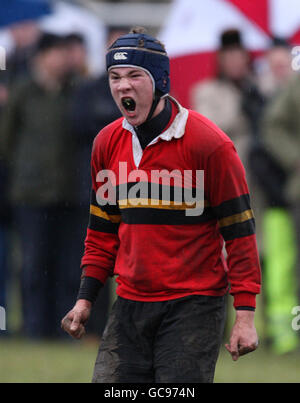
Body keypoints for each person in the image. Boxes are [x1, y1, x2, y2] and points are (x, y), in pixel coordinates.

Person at [61, 27, 261, 383]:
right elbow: (102, 233)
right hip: (130, 304)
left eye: (135, 76)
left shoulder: (209, 144)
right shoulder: (106, 143)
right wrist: (85, 299)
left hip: (194, 305)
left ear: (160, 81)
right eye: (115, 76)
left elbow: (241, 235)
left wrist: (244, 315)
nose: (123, 86)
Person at [0, 32, 84, 339]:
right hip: (30, 193)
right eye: (57, 53)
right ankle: (35, 328)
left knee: (67, 266)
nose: (63, 59)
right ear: (42, 57)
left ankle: (64, 329)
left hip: (66, 192)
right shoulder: (23, 91)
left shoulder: (74, 90)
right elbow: (6, 141)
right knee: (34, 265)